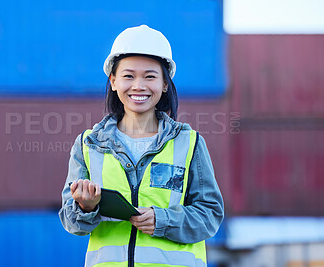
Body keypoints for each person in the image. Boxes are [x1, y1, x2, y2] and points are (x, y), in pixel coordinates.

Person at [59, 25, 224, 267]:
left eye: (150, 76)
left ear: (165, 84)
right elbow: (71, 222)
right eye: (128, 76)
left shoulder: (189, 143)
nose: (138, 85)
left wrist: (164, 220)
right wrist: (85, 206)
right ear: (113, 82)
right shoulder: (88, 144)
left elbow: (210, 214)